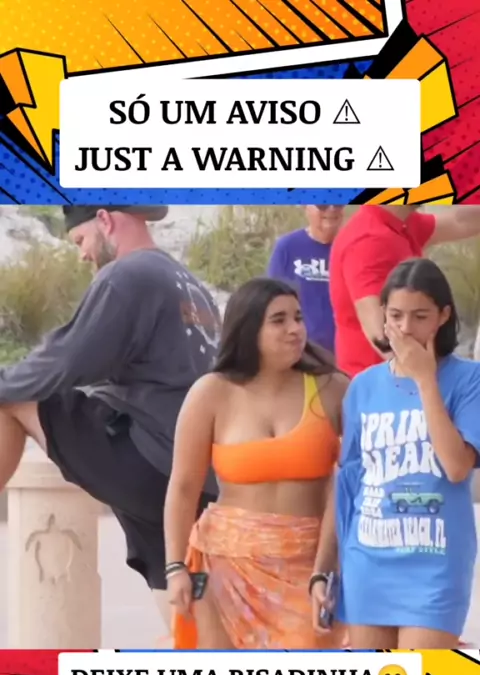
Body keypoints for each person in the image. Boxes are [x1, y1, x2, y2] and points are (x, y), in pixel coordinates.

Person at [0, 205, 221, 636]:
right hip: (196, 481)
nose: (83, 254)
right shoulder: (191, 285)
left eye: (80, 240)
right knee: (189, 633)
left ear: (104, 220)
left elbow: (62, 362)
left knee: (12, 396)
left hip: (150, 462)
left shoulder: (127, 276)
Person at [164, 276, 348, 650]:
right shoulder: (211, 393)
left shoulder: (333, 389)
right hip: (222, 565)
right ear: (249, 330)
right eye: (279, 320)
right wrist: (175, 567)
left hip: (308, 567)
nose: (295, 329)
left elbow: (351, 481)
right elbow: (183, 488)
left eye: (298, 317)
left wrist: (330, 567)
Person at [312, 258, 480, 649]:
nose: (405, 328)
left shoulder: (468, 379)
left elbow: (457, 468)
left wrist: (425, 379)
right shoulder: (363, 386)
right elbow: (348, 485)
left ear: (443, 316)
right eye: (396, 316)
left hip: (435, 564)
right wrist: (322, 570)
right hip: (368, 561)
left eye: (420, 316)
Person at [329, 205, 480, 377]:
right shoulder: (369, 240)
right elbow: (380, 335)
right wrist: (426, 381)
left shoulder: (400, 223)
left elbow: (458, 221)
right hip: (382, 382)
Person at [266, 205, 344, 353]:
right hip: (300, 351)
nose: (332, 208)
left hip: (345, 353)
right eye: (322, 204)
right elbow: (271, 301)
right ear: (305, 206)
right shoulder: (287, 247)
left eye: (338, 202)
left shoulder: (354, 246)